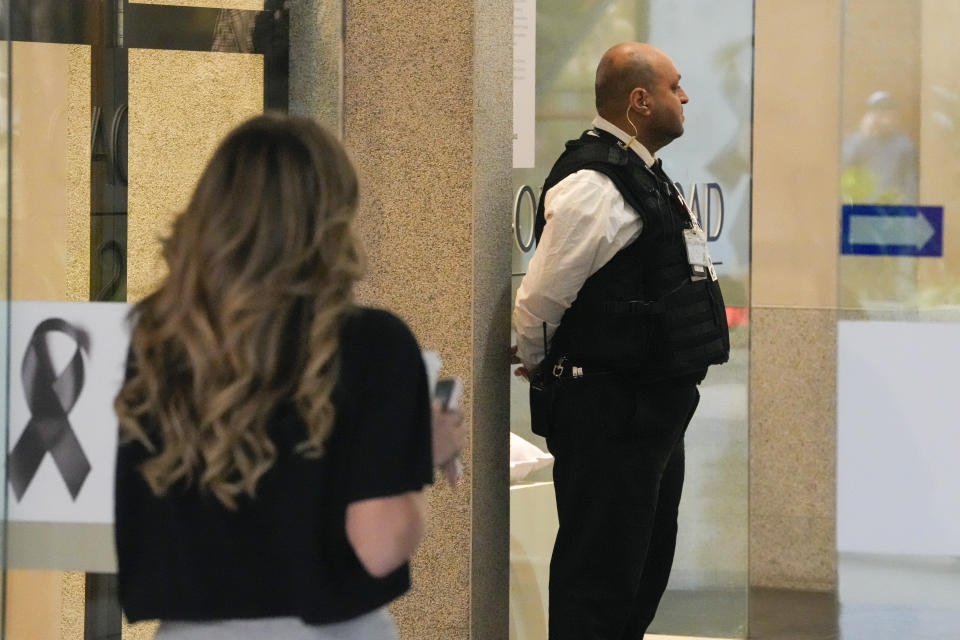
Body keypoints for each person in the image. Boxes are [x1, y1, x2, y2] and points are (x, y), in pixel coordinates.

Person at [113, 113, 466, 640]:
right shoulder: (371, 343)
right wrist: (421, 452)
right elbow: (381, 544)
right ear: (334, 217)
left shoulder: (160, 340)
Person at [511, 43, 729, 639]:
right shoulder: (593, 185)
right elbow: (538, 301)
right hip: (610, 414)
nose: (684, 97)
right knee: (599, 579)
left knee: (641, 570)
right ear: (639, 101)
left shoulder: (644, 174)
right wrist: (541, 364)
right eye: (674, 87)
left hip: (652, 412)